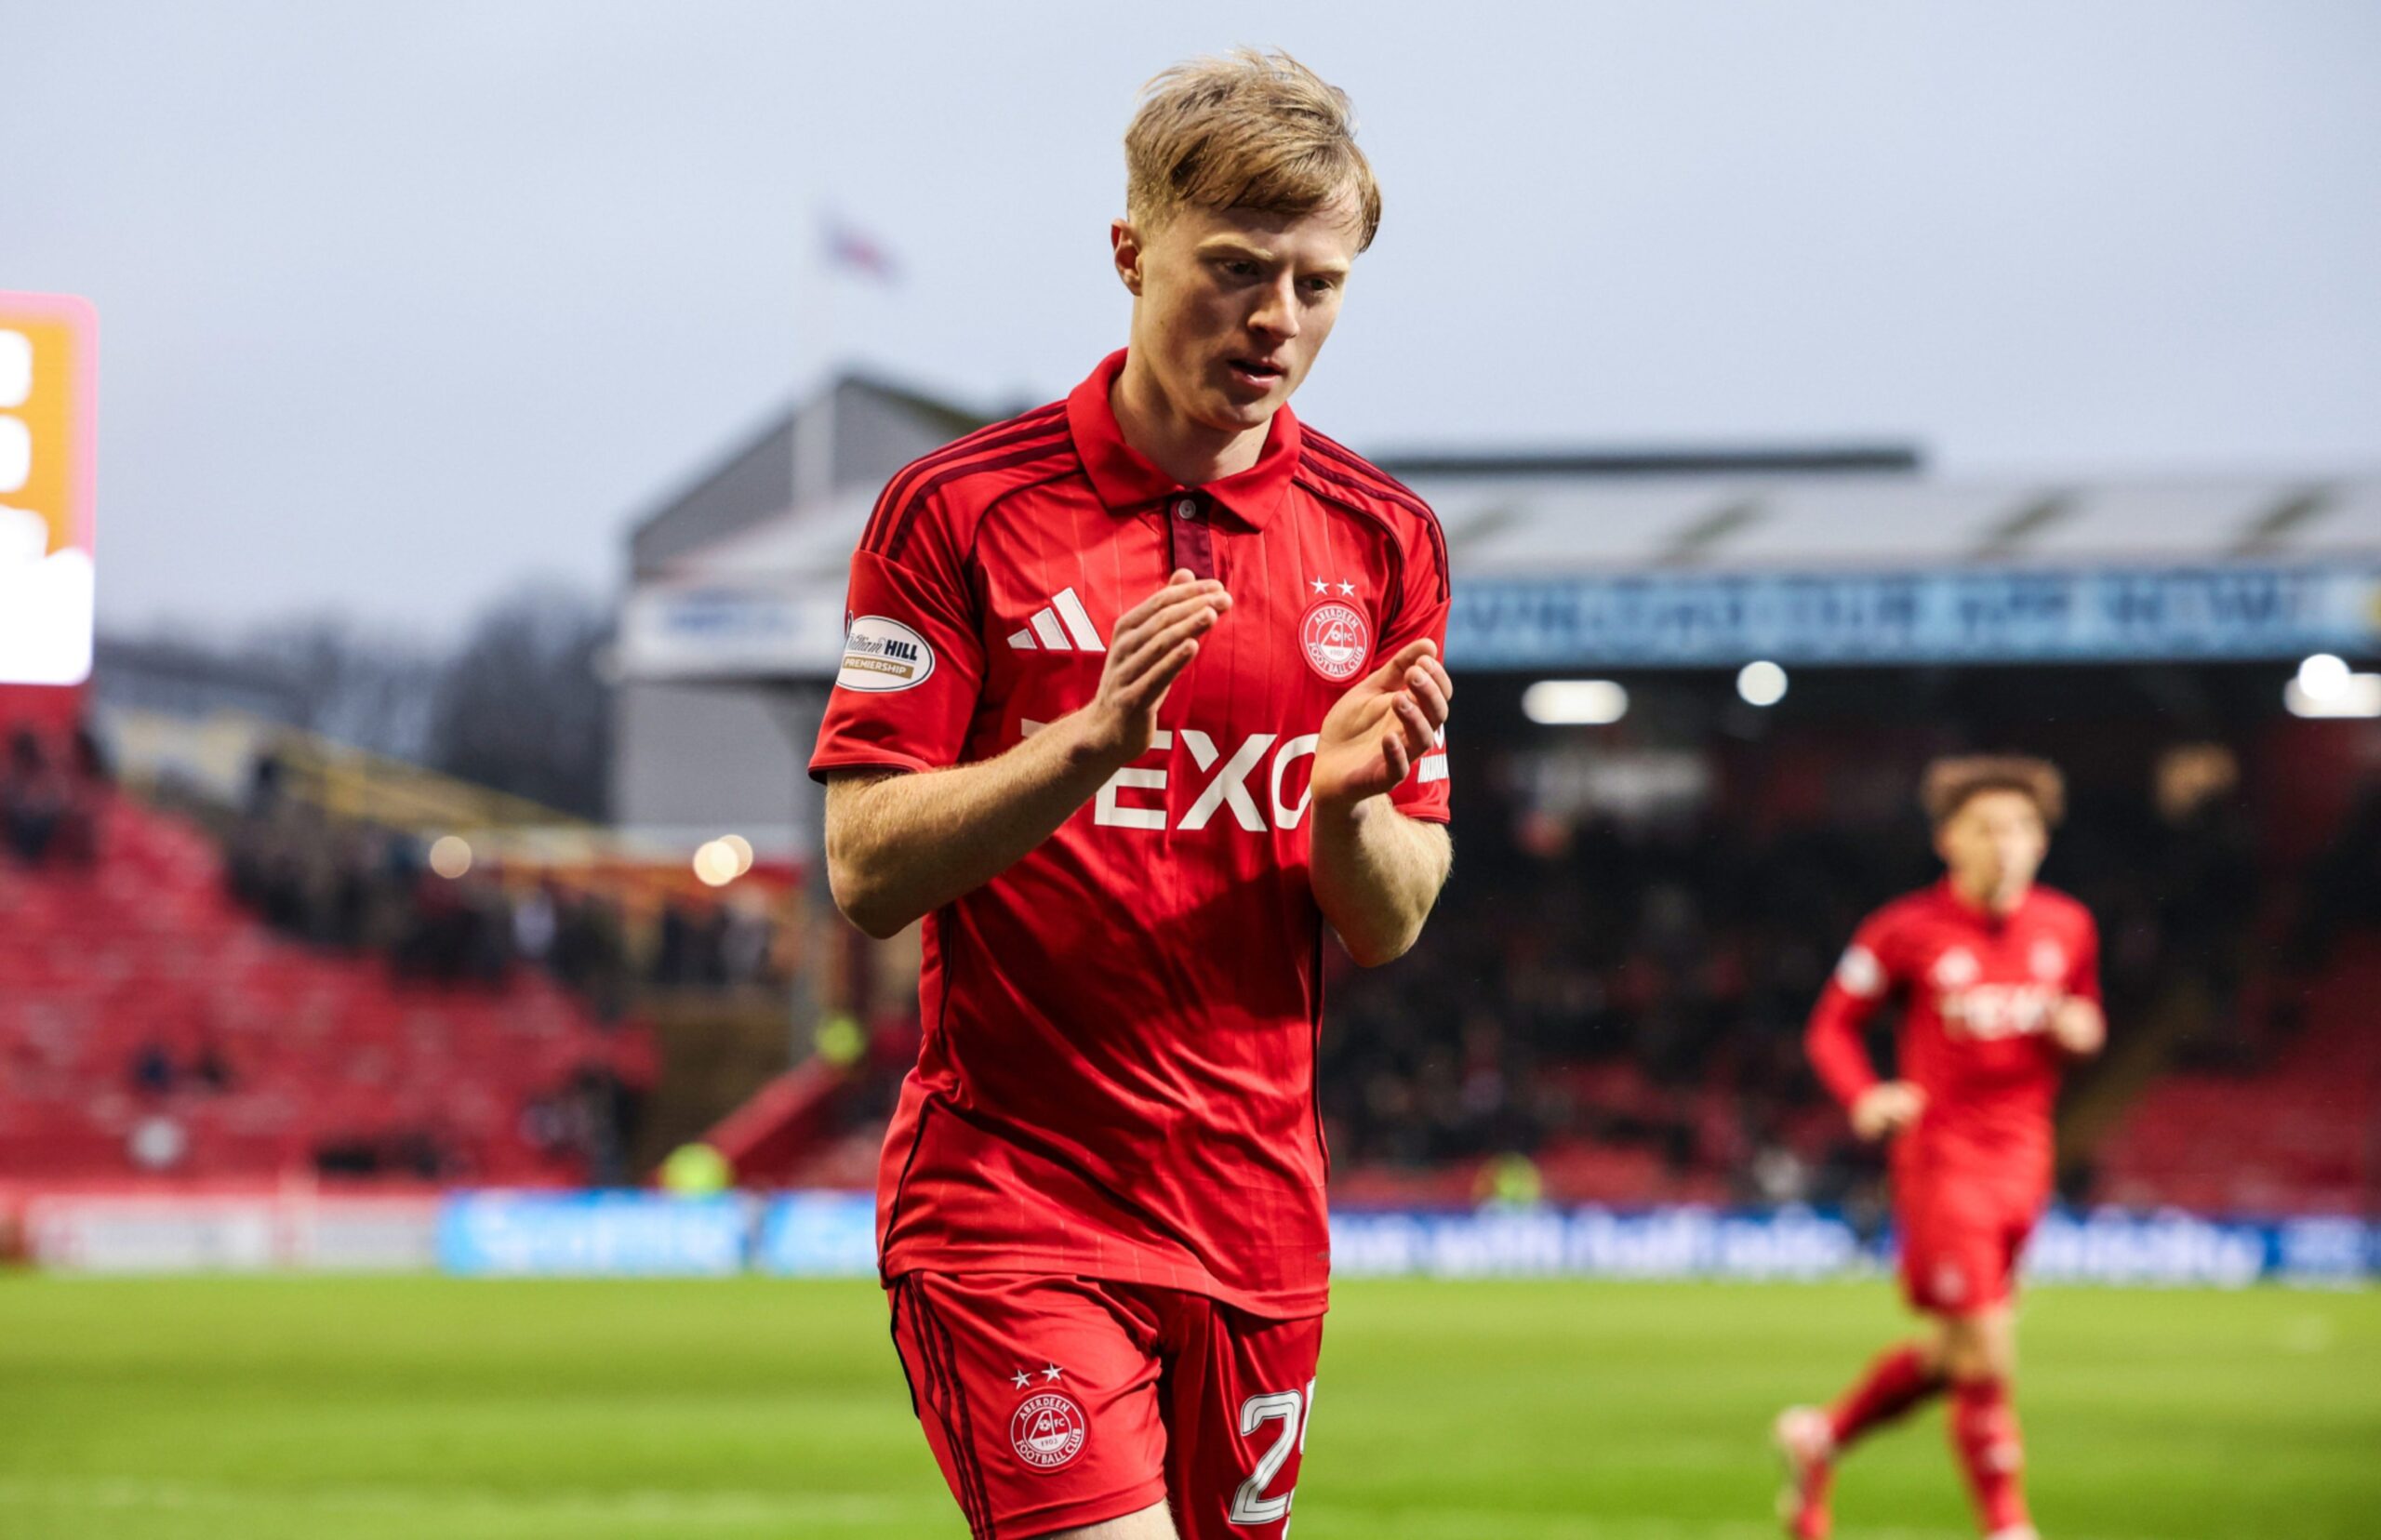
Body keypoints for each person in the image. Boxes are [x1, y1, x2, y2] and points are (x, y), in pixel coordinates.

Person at [810, 49, 1452, 1540]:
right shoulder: (959, 511)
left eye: (1320, 282)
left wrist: (1351, 814)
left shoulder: (1383, 541)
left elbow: (1394, 921)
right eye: (1235, 269)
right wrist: (1082, 749)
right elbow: (865, 865)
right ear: (1129, 252)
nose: (1277, 319)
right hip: (1013, 1205)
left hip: (1258, 1220)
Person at [1775, 757, 2107, 1540]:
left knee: (1959, 1352)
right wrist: (1867, 1095)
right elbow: (1831, 1025)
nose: (2006, 843)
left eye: (2021, 827)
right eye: (1987, 828)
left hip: (2026, 1160)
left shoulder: (2069, 926)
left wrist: (2082, 1031)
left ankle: (1821, 1438)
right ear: (1947, 840)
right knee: (1988, 1353)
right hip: (1943, 1160)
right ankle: (2008, 1524)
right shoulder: (1903, 931)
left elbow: (2085, 1013)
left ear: (2042, 842)